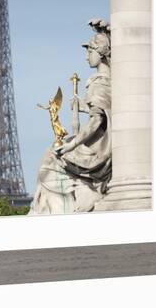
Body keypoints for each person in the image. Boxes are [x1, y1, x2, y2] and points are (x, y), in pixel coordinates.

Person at [28, 19, 112, 215]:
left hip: (98, 152)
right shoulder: (107, 80)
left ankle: (82, 194)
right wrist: (84, 107)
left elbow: (97, 121)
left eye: (89, 51)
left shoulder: (99, 83)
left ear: (100, 53)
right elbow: (102, 113)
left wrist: (72, 145)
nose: (86, 57)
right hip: (104, 146)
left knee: (52, 157)